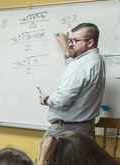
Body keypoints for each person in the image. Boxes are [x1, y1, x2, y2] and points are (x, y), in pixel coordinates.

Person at [38, 22, 106, 156]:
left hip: (65, 130)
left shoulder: (79, 67)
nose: (71, 44)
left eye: (75, 40)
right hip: (85, 127)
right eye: (71, 40)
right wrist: (65, 46)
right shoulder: (97, 60)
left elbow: (61, 101)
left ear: (90, 42)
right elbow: (75, 67)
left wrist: (46, 99)